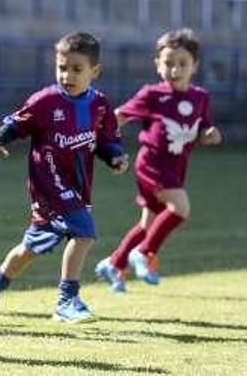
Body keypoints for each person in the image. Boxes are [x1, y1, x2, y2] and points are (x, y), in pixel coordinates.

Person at [0, 32, 129, 325]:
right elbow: (16, 124)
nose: (67, 75)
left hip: (78, 187)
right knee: (84, 232)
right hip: (48, 185)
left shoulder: (101, 106)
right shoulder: (46, 101)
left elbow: (106, 139)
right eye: (62, 68)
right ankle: (66, 300)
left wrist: (115, 157)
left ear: (95, 71)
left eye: (77, 69)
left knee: (30, 249)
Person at [95, 29, 222, 292]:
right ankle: (144, 253)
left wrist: (210, 135)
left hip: (176, 167)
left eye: (182, 64)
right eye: (168, 63)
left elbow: (204, 130)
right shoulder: (152, 94)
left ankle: (114, 263)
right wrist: (101, 137)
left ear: (195, 66)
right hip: (152, 164)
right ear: (157, 64)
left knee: (147, 224)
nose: (175, 70)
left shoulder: (201, 97)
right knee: (181, 208)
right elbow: (119, 115)